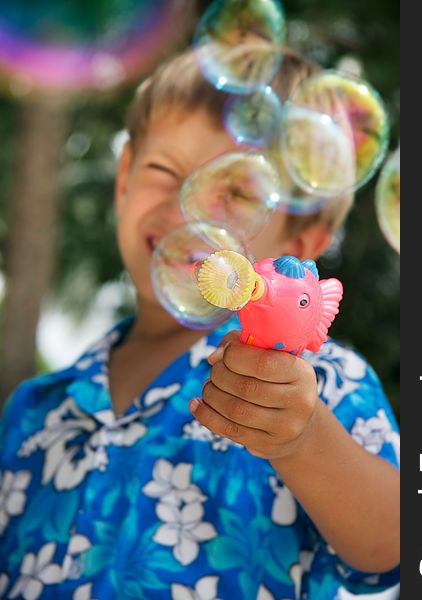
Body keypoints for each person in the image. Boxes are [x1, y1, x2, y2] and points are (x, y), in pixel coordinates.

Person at [0, 48, 400, 600]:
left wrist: (304, 440)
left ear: (300, 249)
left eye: (236, 191)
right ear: (124, 180)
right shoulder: (35, 409)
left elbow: (395, 546)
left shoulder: (324, 384)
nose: (186, 210)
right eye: (164, 172)